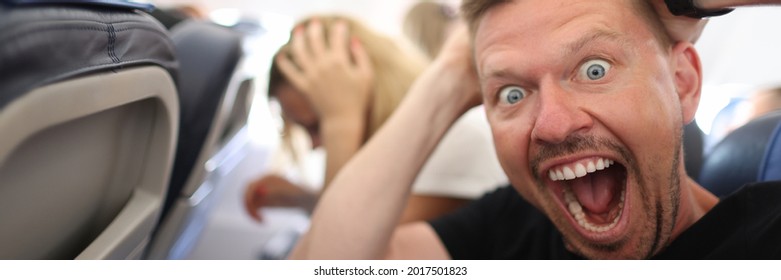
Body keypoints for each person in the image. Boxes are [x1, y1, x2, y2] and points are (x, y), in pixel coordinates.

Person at [288, 0, 781, 259]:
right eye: (512, 94)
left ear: (683, 82)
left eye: (594, 69)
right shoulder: (515, 228)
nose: (552, 124)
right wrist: (450, 75)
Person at [244, 16, 507, 224]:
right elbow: (373, 214)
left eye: (317, 125)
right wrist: (302, 199)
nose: (314, 145)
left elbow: (347, 251)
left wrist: (341, 122)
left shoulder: (455, 138)